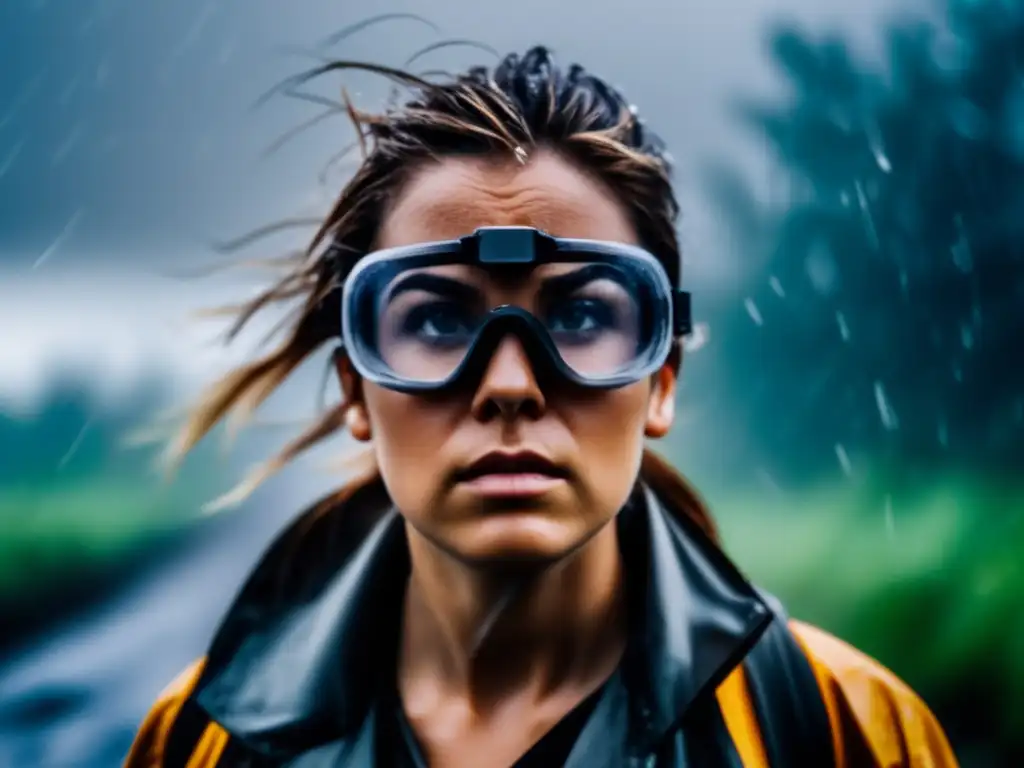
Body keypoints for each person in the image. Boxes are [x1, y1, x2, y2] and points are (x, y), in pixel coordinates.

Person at [124, 46, 959, 767]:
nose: (512, 386)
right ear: (356, 389)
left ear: (660, 379)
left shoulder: (842, 730)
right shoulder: (203, 742)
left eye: (585, 314)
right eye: (440, 319)